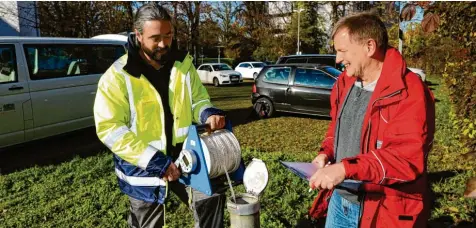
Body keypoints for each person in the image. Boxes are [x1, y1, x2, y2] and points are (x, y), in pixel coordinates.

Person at [93, 4, 227, 228]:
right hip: (144, 169)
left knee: (211, 203)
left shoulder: (183, 64)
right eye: (155, 38)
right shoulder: (117, 76)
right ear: (138, 35)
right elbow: (111, 129)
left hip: (188, 159)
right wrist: (155, 162)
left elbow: (198, 100)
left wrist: (208, 113)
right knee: (147, 223)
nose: (164, 44)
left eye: (168, 35)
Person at [308, 12, 435, 227]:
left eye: (342, 51)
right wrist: (326, 153)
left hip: (382, 209)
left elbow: (405, 158)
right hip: (339, 201)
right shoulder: (344, 82)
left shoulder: (409, 91)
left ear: (369, 47)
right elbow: (338, 128)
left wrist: (345, 169)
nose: (338, 59)